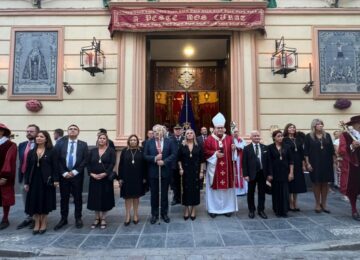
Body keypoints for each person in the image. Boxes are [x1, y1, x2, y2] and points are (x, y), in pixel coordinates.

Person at [54, 124, 88, 230]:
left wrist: (75, 171)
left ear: (78, 132)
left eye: (75, 129)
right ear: (67, 131)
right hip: (64, 175)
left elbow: (85, 160)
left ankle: (78, 218)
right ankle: (63, 219)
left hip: (77, 175)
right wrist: (64, 173)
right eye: (70, 129)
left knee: (78, 197)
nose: (72, 131)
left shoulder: (83, 144)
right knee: (64, 198)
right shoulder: (60, 144)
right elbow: (57, 159)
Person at [24, 131, 59, 234]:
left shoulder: (52, 151)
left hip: (47, 181)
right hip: (34, 180)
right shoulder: (31, 152)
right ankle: (36, 222)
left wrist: (56, 180)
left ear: (46, 139)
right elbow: (28, 169)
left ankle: (43, 222)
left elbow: (55, 167)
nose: (38, 138)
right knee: (34, 202)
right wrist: (26, 182)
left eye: (41, 136)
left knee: (44, 202)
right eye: (37, 136)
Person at [203, 113, 237, 218]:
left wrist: (233, 150)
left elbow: (234, 155)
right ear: (214, 129)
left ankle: (228, 208)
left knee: (227, 190)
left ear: (224, 128)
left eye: (222, 127)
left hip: (228, 169)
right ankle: (213, 209)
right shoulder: (209, 139)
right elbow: (205, 152)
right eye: (218, 128)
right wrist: (215, 154)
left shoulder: (230, 139)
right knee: (214, 190)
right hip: (214, 169)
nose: (220, 129)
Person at [144, 124, 177, 224]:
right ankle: (154, 214)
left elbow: (174, 154)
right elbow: (145, 156)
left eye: (158, 131)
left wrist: (165, 161)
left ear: (163, 132)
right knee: (154, 194)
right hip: (153, 172)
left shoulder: (169, 142)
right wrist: (154, 159)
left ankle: (164, 213)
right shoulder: (148, 143)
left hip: (165, 171)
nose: (156, 134)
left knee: (164, 194)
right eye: (154, 132)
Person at [304, 119, 336, 214]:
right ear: (314, 126)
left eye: (322, 124)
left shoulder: (327, 135)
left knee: (325, 183)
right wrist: (307, 163)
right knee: (316, 183)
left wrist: (334, 161)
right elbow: (306, 152)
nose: (321, 126)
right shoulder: (308, 136)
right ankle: (317, 204)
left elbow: (332, 150)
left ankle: (324, 204)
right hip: (314, 162)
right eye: (318, 124)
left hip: (327, 163)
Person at [87, 133, 116, 229]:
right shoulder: (92, 151)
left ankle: (103, 218)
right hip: (94, 178)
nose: (102, 140)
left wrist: (105, 173)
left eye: (104, 138)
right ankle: (96, 218)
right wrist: (91, 174)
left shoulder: (111, 151)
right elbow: (88, 164)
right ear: (98, 140)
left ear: (106, 140)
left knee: (105, 198)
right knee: (95, 198)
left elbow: (112, 164)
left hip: (105, 179)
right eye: (100, 138)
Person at [118, 135, 147, 226]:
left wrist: (144, 177)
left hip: (138, 177)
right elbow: (121, 165)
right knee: (127, 197)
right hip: (126, 177)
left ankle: (135, 214)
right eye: (131, 140)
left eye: (135, 140)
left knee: (136, 196)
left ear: (137, 141)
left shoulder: (141, 150)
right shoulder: (124, 151)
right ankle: (127, 215)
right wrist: (120, 178)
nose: (133, 141)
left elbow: (145, 165)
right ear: (129, 141)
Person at [178, 129, 205, 221]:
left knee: (195, 189)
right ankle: (186, 209)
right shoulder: (182, 146)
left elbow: (202, 160)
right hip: (185, 171)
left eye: (191, 133)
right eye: (187, 133)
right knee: (185, 189)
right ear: (185, 135)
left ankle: (193, 209)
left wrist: (201, 171)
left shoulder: (199, 146)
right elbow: (179, 159)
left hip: (196, 171)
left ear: (194, 135)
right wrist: (180, 168)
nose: (189, 135)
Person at [242, 130, 270, 219]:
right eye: (255, 136)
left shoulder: (265, 147)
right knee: (250, 192)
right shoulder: (246, 148)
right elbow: (244, 163)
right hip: (251, 174)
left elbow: (269, 162)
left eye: (258, 136)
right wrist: (245, 175)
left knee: (262, 192)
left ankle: (261, 210)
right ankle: (251, 210)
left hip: (262, 173)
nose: (257, 137)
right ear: (251, 137)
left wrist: (269, 174)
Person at [17, 124, 39, 230]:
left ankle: (37, 218)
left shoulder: (40, 144)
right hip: (23, 174)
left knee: (35, 197)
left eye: (31, 131)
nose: (29, 133)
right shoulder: (22, 145)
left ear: (37, 133)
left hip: (35, 176)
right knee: (25, 198)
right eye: (27, 131)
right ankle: (28, 217)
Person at [267, 130, 294, 218]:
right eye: (278, 136)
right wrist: (270, 174)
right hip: (275, 173)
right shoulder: (270, 148)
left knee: (285, 191)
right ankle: (277, 210)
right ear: (274, 137)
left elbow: (291, 161)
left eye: (281, 136)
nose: (280, 138)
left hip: (285, 172)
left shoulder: (287, 147)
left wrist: (291, 173)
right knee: (276, 192)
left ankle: (285, 210)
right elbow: (269, 162)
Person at [338, 115, 360, 221]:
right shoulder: (346, 135)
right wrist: (352, 146)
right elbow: (341, 151)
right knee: (353, 189)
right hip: (353, 165)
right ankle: (354, 210)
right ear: (355, 124)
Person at [283, 123, 307, 211]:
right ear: (287, 129)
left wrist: (303, 164)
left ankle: (295, 202)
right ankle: (290, 202)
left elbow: (302, 152)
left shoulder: (298, 139)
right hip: (288, 163)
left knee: (297, 183)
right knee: (290, 183)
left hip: (298, 163)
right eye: (290, 127)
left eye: (294, 127)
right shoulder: (284, 139)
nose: (292, 128)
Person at [0, 124, 17, 230]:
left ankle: (5, 218)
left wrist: (4, 176)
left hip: (4, 176)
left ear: (2, 132)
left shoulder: (10, 145)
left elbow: (9, 161)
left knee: (5, 198)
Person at [170, 124, 184, 206]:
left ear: (182, 130)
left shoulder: (185, 139)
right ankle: (175, 198)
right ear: (174, 130)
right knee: (174, 183)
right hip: (173, 165)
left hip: (183, 164)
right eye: (176, 129)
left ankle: (182, 197)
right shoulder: (170, 139)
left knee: (182, 182)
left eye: (179, 129)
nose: (178, 130)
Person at [232, 127, 248, 196]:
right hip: (234, 160)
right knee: (234, 173)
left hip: (241, 159)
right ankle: (235, 191)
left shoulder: (241, 139)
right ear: (232, 133)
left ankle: (243, 190)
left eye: (237, 132)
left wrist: (237, 147)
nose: (236, 133)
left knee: (241, 173)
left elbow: (244, 147)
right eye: (234, 132)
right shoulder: (231, 140)